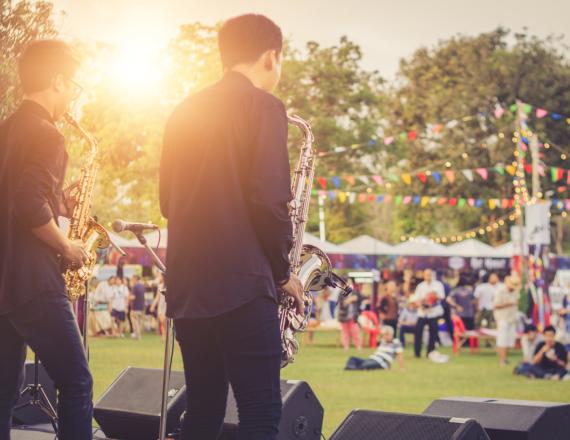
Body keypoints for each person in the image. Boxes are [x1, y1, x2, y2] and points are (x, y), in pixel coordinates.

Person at [159, 14, 304, 440]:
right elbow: (271, 201)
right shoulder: (264, 106)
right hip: (242, 287)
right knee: (260, 411)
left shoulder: (182, 111)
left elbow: (168, 202)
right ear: (270, 57)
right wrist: (283, 272)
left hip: (188, 288)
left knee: (202, 412)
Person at [0, 40, 93, 439]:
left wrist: (61, 201)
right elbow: (27, 204)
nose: (73, 94)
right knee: (76, 383)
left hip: (4, 284)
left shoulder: (6, 128)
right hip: (34, 282)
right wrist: (67, 246)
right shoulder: (50, 135)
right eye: (72, 85)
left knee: (3, 393)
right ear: (56, 81)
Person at [414, 269, 446, 361]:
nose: (428, 276)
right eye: (426, 274)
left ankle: (430, 352)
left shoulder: (438, 285)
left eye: (429, 274)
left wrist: (433, 296)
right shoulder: (420, 286)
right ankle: (417, 353)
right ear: (423, 275)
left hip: (434, 312)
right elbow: (417, 299)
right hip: (422, 313)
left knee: (433, 333)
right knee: (418, 331)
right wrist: (422, 304)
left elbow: (442, 296)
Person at [493, 274, 521, 366]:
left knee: (510, 340)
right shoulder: (500, 291)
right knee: (502, 339)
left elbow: (517, 303)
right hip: (502, 318)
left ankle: (505, 358)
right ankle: (502, 359)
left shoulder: (516, 292)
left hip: (512, 318)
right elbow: (495, 306)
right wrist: (508, 304)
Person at [337, 279, 363, 350]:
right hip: (344, 316)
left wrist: (354, 299)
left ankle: (358, 347)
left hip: (353, 316)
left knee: (355, 332)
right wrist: (348, 301)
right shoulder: (341, 293)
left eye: (350, 282)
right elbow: (341, 305)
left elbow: (359, 300)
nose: (349, 284)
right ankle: (346, 347)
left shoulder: (355, 292)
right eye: (348, 283)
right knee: (345, 332)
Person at [150, 273, 167, 341]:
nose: (159, 277)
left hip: (167, 305)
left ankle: (165, 335)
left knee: (165, 321)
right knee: (162, 321)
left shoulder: (170, 285)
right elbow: (157, 297)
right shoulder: (160, 286)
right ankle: (164, 334)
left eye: (160, 276)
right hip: (161, 305)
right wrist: (153, 305)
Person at [129, 275, 146, 340]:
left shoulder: (135, 286)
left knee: (135, 323)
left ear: (135, 279)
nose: (132, 280)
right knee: (138, 322)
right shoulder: (142, 286)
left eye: (132, 279)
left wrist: (128, 297)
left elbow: (133, 297)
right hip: (141, 307)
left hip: (135, 308)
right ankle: (137, 336)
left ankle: (138, 336)